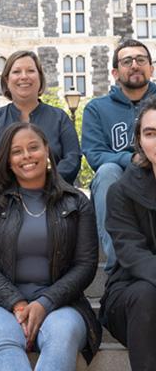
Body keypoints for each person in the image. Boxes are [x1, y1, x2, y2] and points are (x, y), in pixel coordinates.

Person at [0, 122, 101, 371]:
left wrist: (45, 302)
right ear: (8, 160)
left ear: (47, 150)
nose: (26, 156)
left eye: (33, 147)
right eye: (17, 151)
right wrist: (16, 302)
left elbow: (86, 265)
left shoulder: (76, 202)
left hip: (62, 303)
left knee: (60, 338)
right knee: (4, 337)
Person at [82, 39, 156, 273]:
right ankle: (119, 266)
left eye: (141, 60)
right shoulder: (96, 109)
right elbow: (94, 155)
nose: (135, 65)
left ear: (151, 68)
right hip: (122, 183)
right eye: (127, 61)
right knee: (106, 172)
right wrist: (131, 159)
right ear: (115, 72)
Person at [99, 97, 156, 371]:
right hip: (131, 296)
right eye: (150, 133)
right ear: (139, 142)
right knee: (147, 293)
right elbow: (132, 254)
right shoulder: (121, 191)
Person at [0, 50, 81, 186]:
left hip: (53, 196)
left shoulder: (59, 118)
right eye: (17, 72)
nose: (24, 76)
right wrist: (16, 184)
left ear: (40, 78)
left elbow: (72, 157)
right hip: (5, 199)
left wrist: (44, 182)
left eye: (30, 71)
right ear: (7, 80)